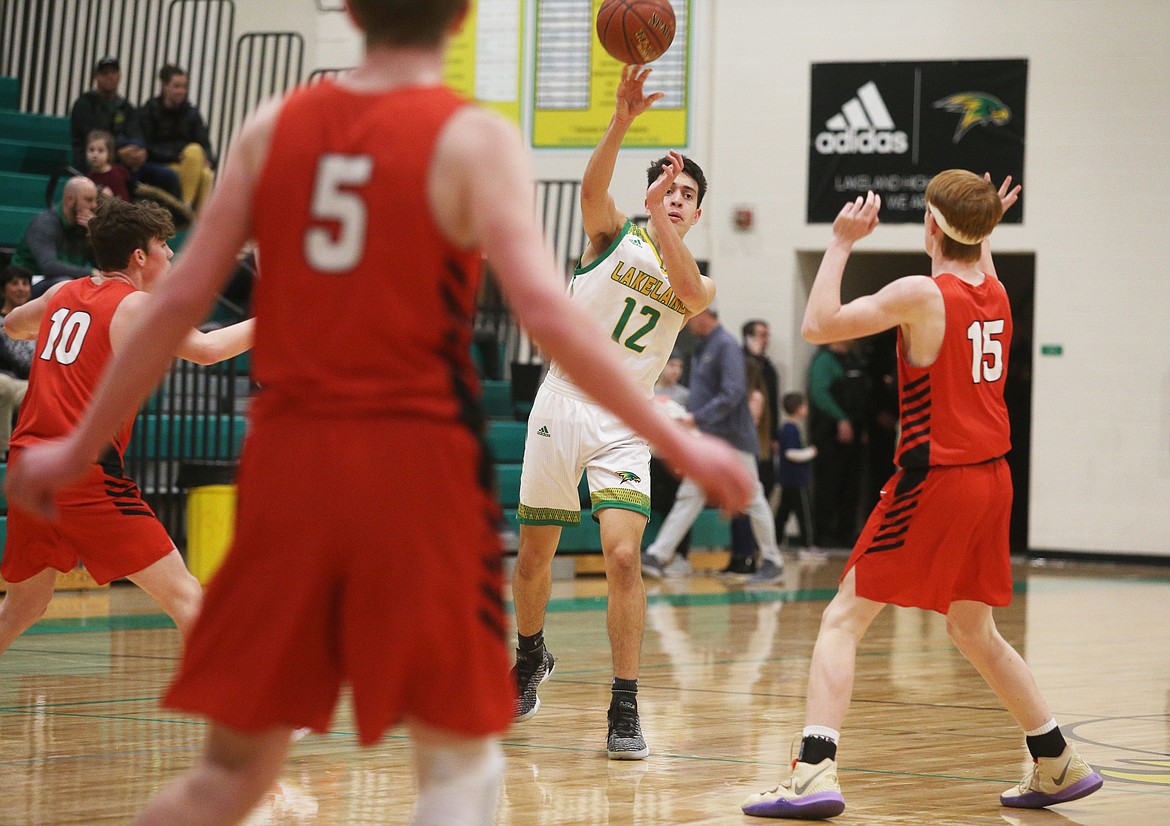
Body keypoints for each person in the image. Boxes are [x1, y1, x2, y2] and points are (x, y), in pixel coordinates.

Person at [5, 4, 754, 823]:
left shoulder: (274, 125)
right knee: (458, 764)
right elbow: (546, 316)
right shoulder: (474, 140)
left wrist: (74, 440)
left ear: (352, 13)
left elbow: (173, 302)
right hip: (409, 450)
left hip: (294, 454)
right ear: (462, 18)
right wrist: (676, 440)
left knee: (230, 772)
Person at [741, 172, 1103, 819]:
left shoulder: (922, 294)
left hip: (937, 478)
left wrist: (841, 242)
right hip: (994, 481)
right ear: (985, 233)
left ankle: (813, 771)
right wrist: (986, 220)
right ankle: (1056, 760)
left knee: (841, 621)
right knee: (974, 629)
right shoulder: (996, 294)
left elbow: (819, 323)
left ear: (931, 229)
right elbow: (977, 254)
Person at [511, 62, 718, 761]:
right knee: (535, 554)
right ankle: (531, 653)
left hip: (625, 420)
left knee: (625, 558)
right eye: (669, 188)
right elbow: (590, 188)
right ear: (652, 191)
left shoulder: (695, 274)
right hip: (564, 399)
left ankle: (624, 704)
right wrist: (622, 117)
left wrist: (663, 223)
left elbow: (690, 298)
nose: (678, 197)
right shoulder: (612, 236)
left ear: (697, 210)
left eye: (688, 194)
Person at [0, 197, 253, 658]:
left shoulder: (63, 292)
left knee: (23, 605)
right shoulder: (134, 305)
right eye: (163, 246)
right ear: (140, 256)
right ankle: (246, 718)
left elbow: (14, 325)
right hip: (82, 474)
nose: (171, 256)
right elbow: (208, 350)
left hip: (27, 465)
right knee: (185, 594)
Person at [642, 305, 785, 585]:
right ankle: (658, 555)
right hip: (711, 437)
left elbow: (733, 393)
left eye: (690, 315)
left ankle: (773, 560)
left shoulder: (726, 345)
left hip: (732, 439)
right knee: (690, 494)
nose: (687, 322)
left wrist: (697, 417)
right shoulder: (705, 346)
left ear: (705, 314)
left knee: (752, 497)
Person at [69, 56, 182, 199]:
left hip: (126, 163)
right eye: (105, 73)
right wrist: (118, 151)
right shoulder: (84, 105)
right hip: (91, 164)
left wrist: (139, 151)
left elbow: (137, 134)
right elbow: (93, 139)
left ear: (120, 76)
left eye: (114, 72)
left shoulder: (126, 107)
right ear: (96, 77)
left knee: (169, 176)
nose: (110, 76)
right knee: (122, 176)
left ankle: (176, 220)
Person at [807, 338, 867, 548]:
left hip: (853, 434)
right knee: (828, 484)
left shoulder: (851, 360)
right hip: (829, 434)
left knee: (851, 485)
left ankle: (846, 532)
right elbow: (820, 393)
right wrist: (841, 419)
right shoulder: (824, 360)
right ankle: (823, 533)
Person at [139, 64, 216, 212]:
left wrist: (209, 160)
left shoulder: (192, 113)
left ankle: (193, 215)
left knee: (204, 169)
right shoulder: (150, 110)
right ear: (164, 86)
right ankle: (186, 210)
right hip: (164, 162)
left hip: (190, 162)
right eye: (176, 86)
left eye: (184, 87)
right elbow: (146, 144)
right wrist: (174, 156)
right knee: (195, 160)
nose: (181, 91)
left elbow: (205, 144)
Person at [10, 176, 100, 297]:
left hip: (69, 282)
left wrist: (95, 234)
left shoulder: (85, 226)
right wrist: (90, 272)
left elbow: (103, 265)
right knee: (64, 283)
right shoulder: (44, 223)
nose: (94, 205)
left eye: (95, 200)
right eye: (89, 200)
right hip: (29, 285)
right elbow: (49, 266)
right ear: (69, 199)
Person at [774, 392, 816, 552]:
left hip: (787, 479)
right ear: (799, 409)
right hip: (797, 480)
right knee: (804, 513)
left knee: (782, 513)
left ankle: (777, 541)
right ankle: (808, 545)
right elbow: (790, 453)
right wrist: (810, 452)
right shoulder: (791, 430)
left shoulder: (787, 428)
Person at [0, 264, 33, 458]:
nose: (21, 288)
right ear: (3, 290)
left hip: (23, 381)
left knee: (50, 389)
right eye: (14, 283)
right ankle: (4, 452)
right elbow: (23, 359)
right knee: (4, 386)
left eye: (25, 283)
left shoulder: (39, 320)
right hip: (4, 378)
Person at [85, 129, 134, 201]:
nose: (95, 155)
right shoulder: (88, 178)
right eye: (91, 150)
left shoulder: (118, 173)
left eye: (100, 151)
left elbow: (124, 201)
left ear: (109, 153)